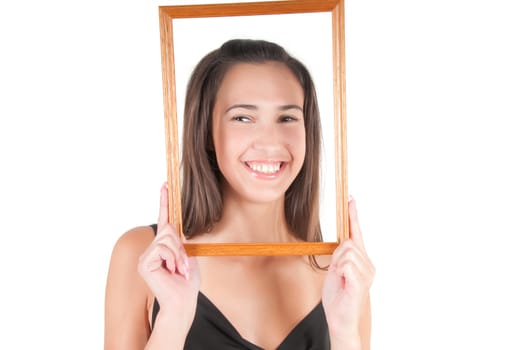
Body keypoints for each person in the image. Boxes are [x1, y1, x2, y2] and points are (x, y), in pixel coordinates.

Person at [104, 39, 375, 350]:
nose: (270, 141)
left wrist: (344, 335)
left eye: (287, 118)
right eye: (243, 118)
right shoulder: (145, 256)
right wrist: (173, 321)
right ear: (206, 131)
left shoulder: (343, 272)